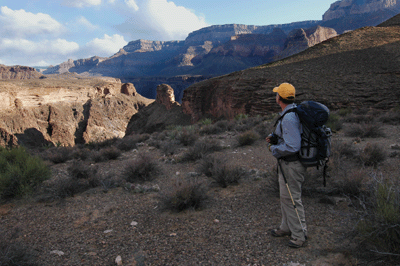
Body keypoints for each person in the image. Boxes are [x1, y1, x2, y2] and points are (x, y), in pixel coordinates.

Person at [266, 83, 307, 248]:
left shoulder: (289, 117)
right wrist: (275, 138)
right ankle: (285, 227)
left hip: (292, 165)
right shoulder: (291, 112)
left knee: (292, 199)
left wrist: (274, 148)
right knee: (286, 198)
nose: (275, 96)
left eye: (276, 94)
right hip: (287, 164)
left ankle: (300, 235)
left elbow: (292, 146)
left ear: (280, 98)